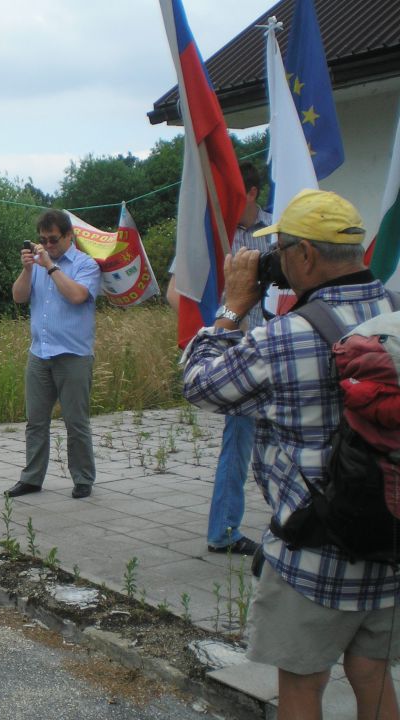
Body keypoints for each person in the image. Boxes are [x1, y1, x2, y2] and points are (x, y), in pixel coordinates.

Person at [182, 189, 400, 718]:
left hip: (314, 549)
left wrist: (234, 306)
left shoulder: (284, 336)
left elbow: (199, 384)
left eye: (279, 250)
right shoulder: (394, 311)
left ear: (305, 256)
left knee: (301, 686)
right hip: (390, 536)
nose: (274, 261)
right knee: (372, 674)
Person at [167, 162, 270, 556]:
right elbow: (177, 292)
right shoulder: (211, 234)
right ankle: (224, 531)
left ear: (253, 192)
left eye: (233, 192)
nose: (224, 199)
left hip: (279, 347)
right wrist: (223, 320)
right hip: (240, 356)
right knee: (238, 444)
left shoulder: (276, 230)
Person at [5, 209, 101, 500]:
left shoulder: (86, 265)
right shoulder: (36, 265)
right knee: (35, 421)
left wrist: (49, 267)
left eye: (54, 240)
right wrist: (27, 269)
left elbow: (76, 296)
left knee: (76, 421)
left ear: (69, 236)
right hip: (40, 353)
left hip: (73, 354)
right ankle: (32, 478)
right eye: (42, 240)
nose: (47, 246)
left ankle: (83, 478)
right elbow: (18, 297)